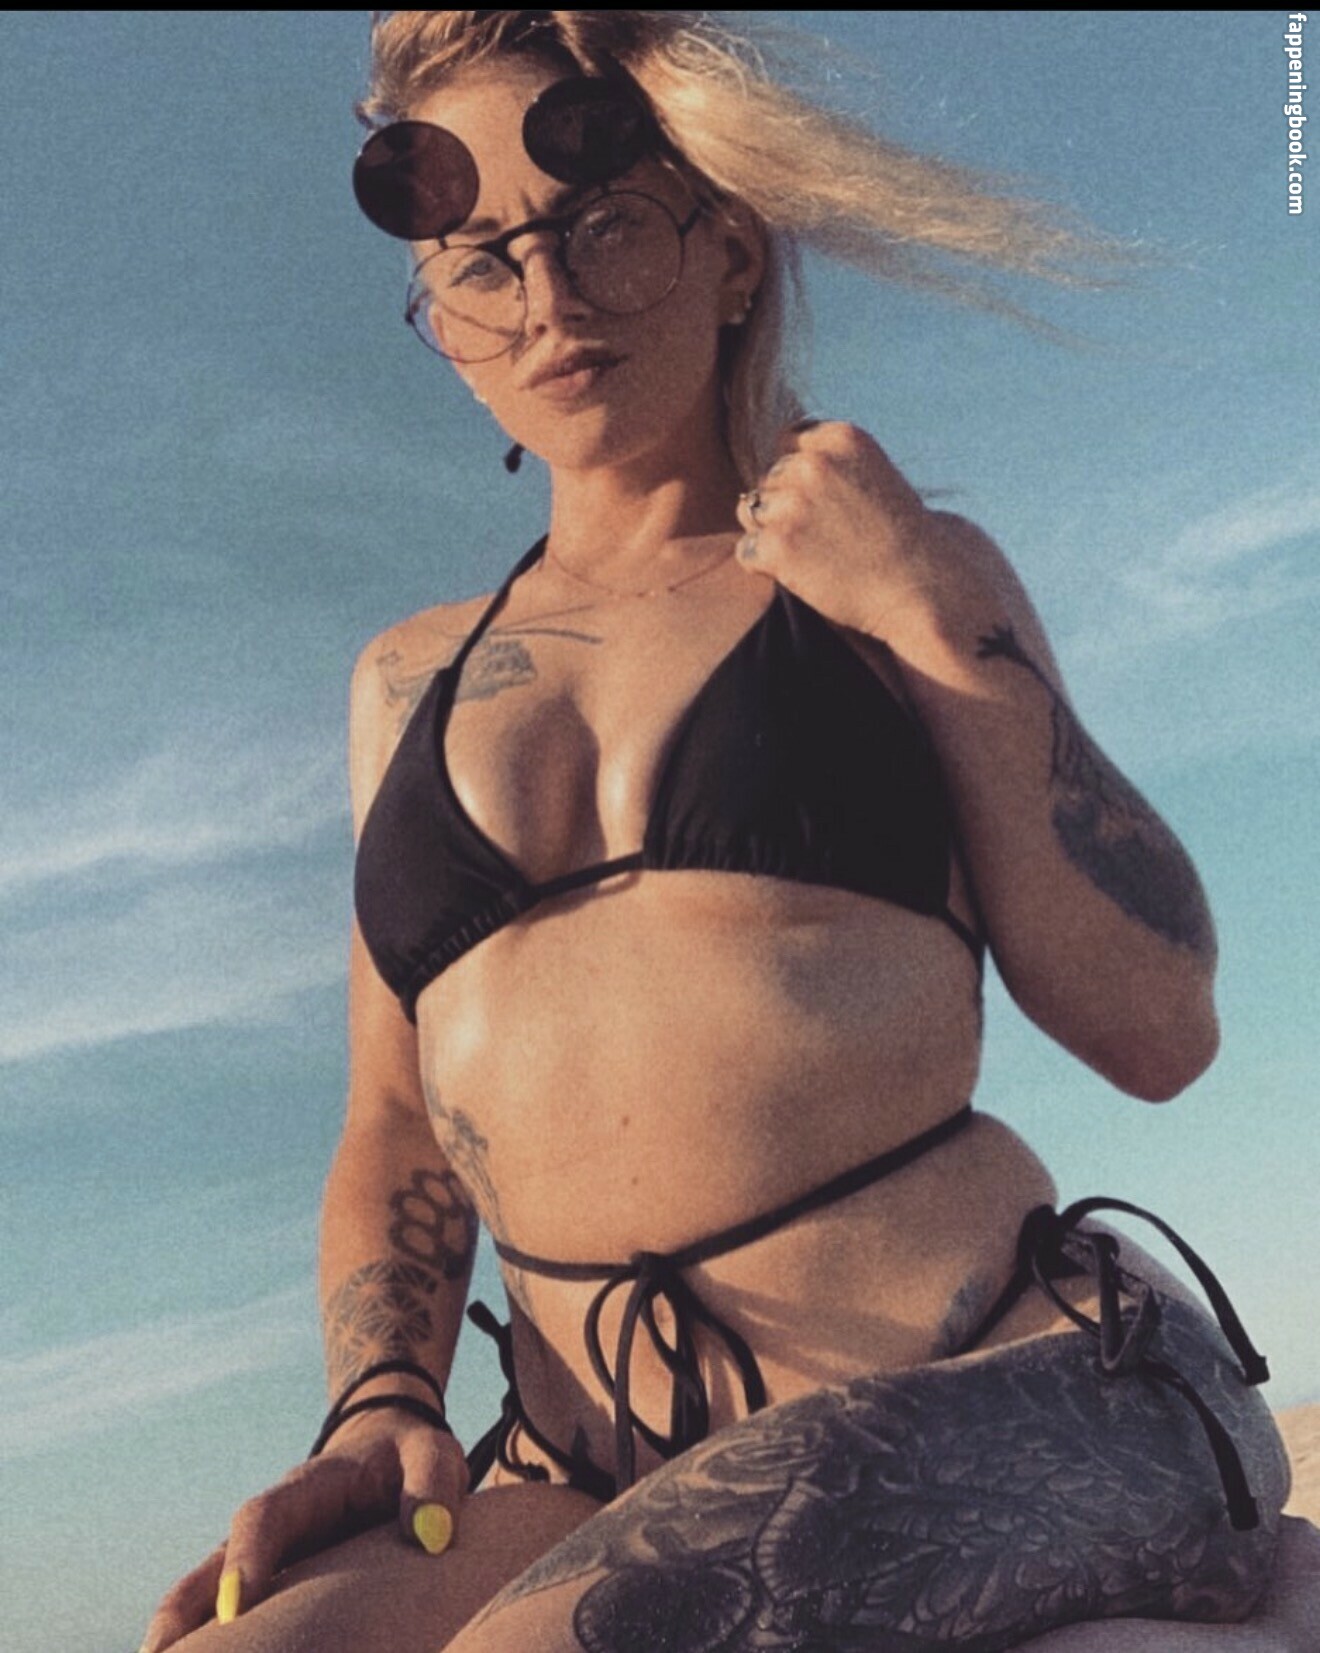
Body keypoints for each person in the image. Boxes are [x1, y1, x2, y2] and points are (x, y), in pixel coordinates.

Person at [141, 12, 1315, 1652]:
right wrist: (381, 1397)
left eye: (604, 227)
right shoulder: (405, 682)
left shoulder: (889, 578)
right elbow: (396, 1119)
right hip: (582, 1464)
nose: (549, 299)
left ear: (733, 254)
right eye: (481, 262)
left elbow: (1160, 1024)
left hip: (1013, 1388)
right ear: (440, 316)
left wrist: (925, 608)